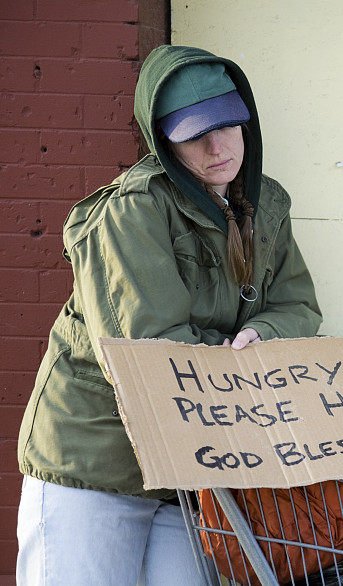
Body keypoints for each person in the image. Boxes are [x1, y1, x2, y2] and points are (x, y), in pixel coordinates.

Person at [16, 44, 322, 584]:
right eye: (194, 134)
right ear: (163, 142)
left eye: (227, 125)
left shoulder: (267, 204)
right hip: (97, 459)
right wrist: (240, 364)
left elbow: (297, 303)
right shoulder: (129, 212)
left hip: (193, 463)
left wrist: (262, 332)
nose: (216, 146)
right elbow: (150, 350)